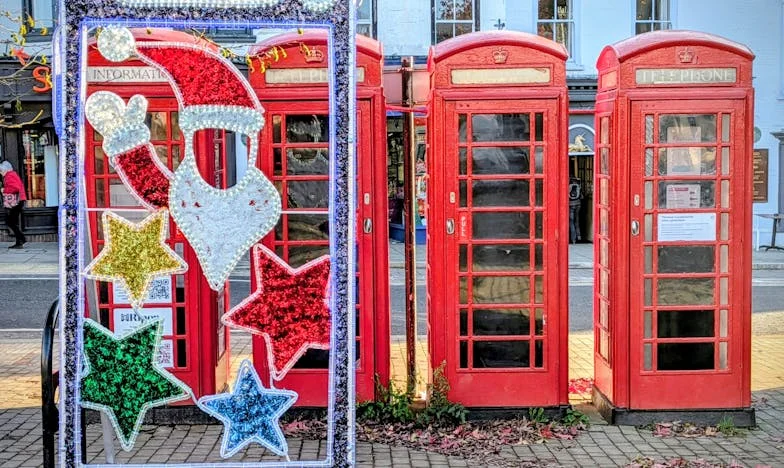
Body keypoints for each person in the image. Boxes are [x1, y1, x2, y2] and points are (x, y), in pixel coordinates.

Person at [0, 161, 27, 248]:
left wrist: (4, 190)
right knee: (12, 221)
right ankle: (20, 240)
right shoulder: (11, 174)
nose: (0, 173)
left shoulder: (10, 175)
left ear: (5, 170)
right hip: (18, 201)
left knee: (10, 221)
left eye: (1, 171)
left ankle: (21, 239)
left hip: (17, 202)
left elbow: (15, 188)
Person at [568, 177, 582, 244]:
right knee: (577, 220)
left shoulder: (568, 187)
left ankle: (573, 239)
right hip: (578, 205)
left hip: (571, 205)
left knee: (571, 222)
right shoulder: (578, 186)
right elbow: (582, 197)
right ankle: (579, 236)